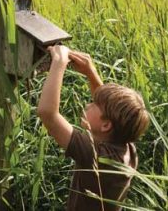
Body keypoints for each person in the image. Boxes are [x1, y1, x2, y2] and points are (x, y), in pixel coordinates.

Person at [37, 45, 149, 211]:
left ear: (106, 125)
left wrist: (59, 62)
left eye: (95, 104)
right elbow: (110, 111)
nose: (89, 104)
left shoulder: (95, 155)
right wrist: (90, 73)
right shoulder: (127, 149)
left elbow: (47, 113)